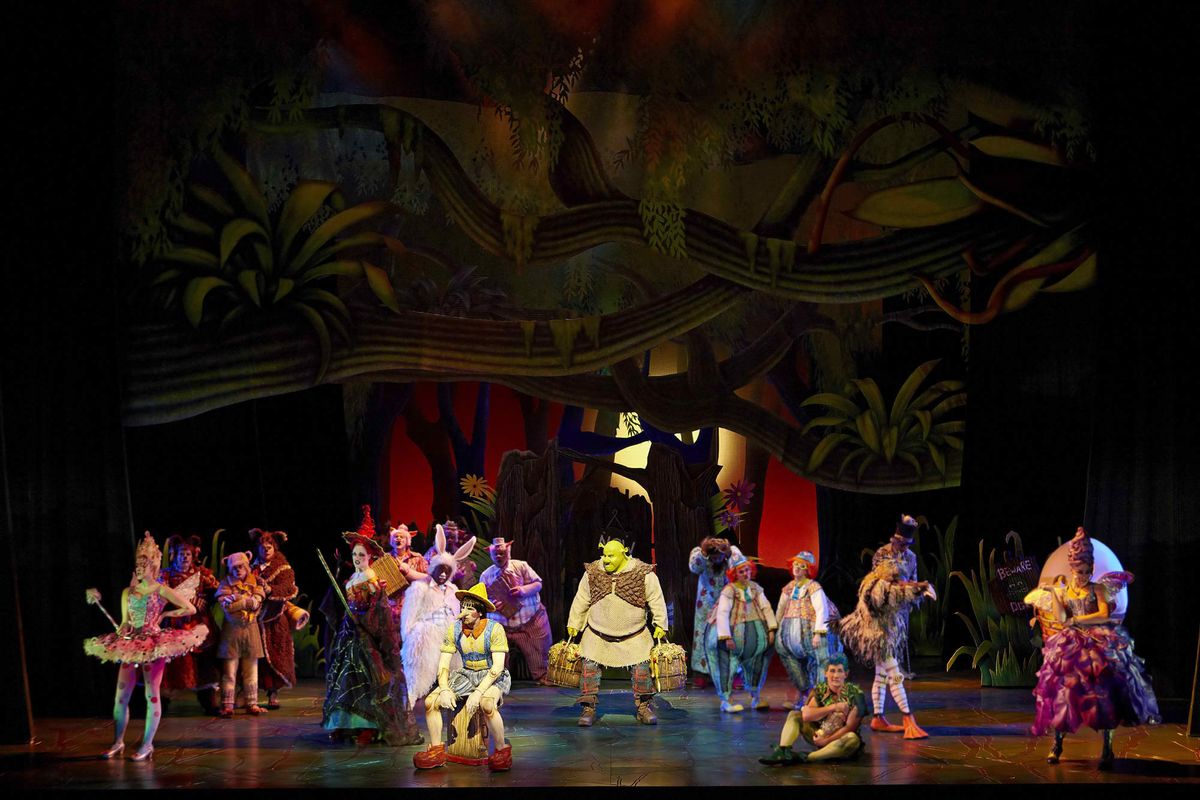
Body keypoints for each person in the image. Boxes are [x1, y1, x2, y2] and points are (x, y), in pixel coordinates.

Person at [1027, 528, 1160, 769]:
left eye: (1087, 571)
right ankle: (1057, 744)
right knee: (1063, 694)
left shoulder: (1098, 588)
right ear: (1072, 569)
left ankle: (1107, 748)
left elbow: (1103, 613)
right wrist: (1055, 596)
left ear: (1091, 568)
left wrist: (1077, 620)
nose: (1083, 576)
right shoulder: (1066, 591)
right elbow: (1062, 618)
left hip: (1097, 642)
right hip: (1070, 644)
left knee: (1103, 695)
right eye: (1079, 571)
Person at [84, 531, 205, 761]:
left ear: (153, 566)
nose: (140, 568)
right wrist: (122, 629)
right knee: (121, 696)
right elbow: (125, 622)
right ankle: (117, 742)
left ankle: (147, 744)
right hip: (131, 645)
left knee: (152, 695)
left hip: (153, 645)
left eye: (144, 564)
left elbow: (190, 608)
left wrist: (166, 614)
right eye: (138, 564)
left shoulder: (161, 589)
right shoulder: (127, 592)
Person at [322, 520, 422, 745]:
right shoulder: (352, 579)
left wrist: (361, 619)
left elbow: (379, 611)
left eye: (362, 555)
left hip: (366, 637)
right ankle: (345, 725)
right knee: (345, 679)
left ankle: (368, 727)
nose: (357, 559)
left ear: (370, 557)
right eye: (355, 555)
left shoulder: (372, 579)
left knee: (367, 681)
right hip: (349, 636)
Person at [566, 534, 669, 727]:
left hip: (634, 636)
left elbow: (656, 599)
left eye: (611, 556)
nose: (606, 560)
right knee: (588, 671)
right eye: (604, 555)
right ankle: (588, 708)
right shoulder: (593, 572)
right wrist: (574, 623)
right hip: (597, 635)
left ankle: (643, 707)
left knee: (642, 672)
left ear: (624, 553)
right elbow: (582, 598)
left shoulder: (643, 573)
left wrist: (660, 624)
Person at [413, 583, 512, 771]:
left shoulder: (495, 629)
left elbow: (498, 667)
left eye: (470, 608)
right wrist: (444, 689)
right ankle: (436, 750)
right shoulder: (455, 629)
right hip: (466, 674)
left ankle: (502, 750)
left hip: (491, 675)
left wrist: (478, 693)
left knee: (487, 704)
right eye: (463, 607)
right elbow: (443, 664)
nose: (464, 612)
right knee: (430, 702)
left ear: (480, 612)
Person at [838, 550, 935, 739]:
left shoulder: (877, 582)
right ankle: (908, 718)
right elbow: (894, 595)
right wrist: (919, 589)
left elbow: (899, 589)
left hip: (881, 636)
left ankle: (878, 718)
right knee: (895, 676)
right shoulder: (877, 586)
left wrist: (916, 587)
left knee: (881, 676)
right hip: (878, 639)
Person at [402, 524, 478, 707]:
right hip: (427, 631)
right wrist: (408, 635)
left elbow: (458, 613)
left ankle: (456, 691)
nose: (443, 574)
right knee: (420, 661)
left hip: (448, 632)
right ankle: (412, 694)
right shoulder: (420, 587)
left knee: (458, 656)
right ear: (433, 568)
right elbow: (409, 614)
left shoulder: (453, 589)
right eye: (440, 569)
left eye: (447, 571)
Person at [704, 548, 777, 712]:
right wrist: (726, 636)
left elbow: (766, 607)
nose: (745, 574)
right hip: (734, 638)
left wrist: (771, 628)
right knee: (727, 666)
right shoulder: (729, 591)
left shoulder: (755, 588)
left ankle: (755, 696)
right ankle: (726, 699)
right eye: (741, 571)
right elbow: (723, 612)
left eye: (747, 570)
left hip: (756, 639)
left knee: (757, 664)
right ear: (735, 574)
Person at [759, 654, 866, 765]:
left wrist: (826, 740)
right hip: (819, 735)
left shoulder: (856, 694)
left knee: (852, 739)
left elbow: (850, 727)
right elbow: (806, 715)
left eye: (840, 671)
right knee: (794, 715)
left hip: (839, 741)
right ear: (826, 673)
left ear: (846, 674)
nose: (836, 675)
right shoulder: (820, 690)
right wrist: (833, 707)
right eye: (832, 671)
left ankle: (807, 757)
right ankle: (783, 751)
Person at [159, 534, 221, 715]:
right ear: (174, 555)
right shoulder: (166, 575)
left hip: (197, 624)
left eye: (188, 554)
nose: (185, 557)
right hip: (174, 623)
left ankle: (208, 700)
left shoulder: (203, 574)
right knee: (171, 663)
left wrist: (204, 600)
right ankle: (162, 701)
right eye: (181, 554)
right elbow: (159, 597)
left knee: (203, 662)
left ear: (194, 555)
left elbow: (217, 592)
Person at [249, 528, 310, 710]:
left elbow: (288, 588)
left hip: (274, 620)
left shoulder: (283, 568)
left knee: (276, 656)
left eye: (270, 545)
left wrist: (270, 590)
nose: (266, 549)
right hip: (254, 620)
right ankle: (248, 694)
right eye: (263, 545)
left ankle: (273, 693)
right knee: (253, 658)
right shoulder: (251, 568)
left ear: (275, 547)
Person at [775, 551, 843, 710]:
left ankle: (821, 698)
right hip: (789, 633)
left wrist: (818, 633)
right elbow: (781, 608)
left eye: (802, 566)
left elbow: (821, 609)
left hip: (810, 630)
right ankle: (805, 692)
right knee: (788, 657)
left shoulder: (813, 587)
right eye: (795, 564)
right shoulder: (789, 588)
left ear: (808, 569)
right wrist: (776, 628)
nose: (797, 568)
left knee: (821, 662)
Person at [480, 536, 553, 684]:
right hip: (502, 625)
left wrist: (523, 590)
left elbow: (538, 584)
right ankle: (498, 678)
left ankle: (543, 675)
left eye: (502, 553)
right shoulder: (486, 575)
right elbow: (482, 599)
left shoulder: (521, 566)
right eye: (496, 554)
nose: (499, 556)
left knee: (538, 648)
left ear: (508, 551)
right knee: (497, 653)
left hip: (529, 619)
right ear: (491, 554)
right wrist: (492, 604)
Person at [215, 551, 268, 717]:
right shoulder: (226, 584)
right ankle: (227, 704)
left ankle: (252, 702)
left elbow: (257, 602)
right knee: (230, 671)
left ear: (247, 567)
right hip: (232, 632)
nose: (238, 570)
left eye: (241, 567)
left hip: (250, 630)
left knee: (251, 670)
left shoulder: (255, 582)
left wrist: (242, 600)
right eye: (234, 568)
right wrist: (245, 602)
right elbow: (227, 606)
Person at [687, 536, 733, 689]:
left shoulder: (728, 559)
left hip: (725, 604)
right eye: (714, 557)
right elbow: (694, 567)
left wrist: (728, 553)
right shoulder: (700, 556)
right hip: (705, 607)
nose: (717, 560)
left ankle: (731, 674)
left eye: (719, 557)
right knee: (703, 638)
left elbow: (739, 565)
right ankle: (702, 674)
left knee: (726, 637)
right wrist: (704, 554)